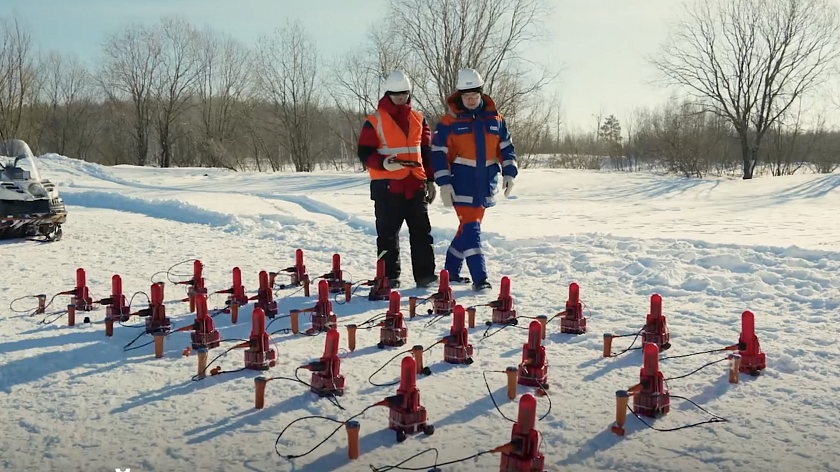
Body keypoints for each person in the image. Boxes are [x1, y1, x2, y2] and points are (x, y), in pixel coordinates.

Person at [430, 68, 518, 291]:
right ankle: (481, 278)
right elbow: (438, 154)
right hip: (461, 185)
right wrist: (444, 185)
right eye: (466, 96)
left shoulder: (496, 119)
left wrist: (509, 173)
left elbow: (506, 148)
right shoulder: (449, 122)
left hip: (486, 186)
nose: (470, 100)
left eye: (474, 95)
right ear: (459, 95)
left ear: (481, 93)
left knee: (466, 230)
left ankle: (450, 272)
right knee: (472, 231)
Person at [357, 70, 439, 289]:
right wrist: (383, 163)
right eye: (396, 94)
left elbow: (426, 152)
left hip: (415, 184)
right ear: (388, 94)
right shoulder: (374, 121)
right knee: (387, 236)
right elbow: (365, 152)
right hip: (387, 188)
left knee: (422, 233)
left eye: (404, 93)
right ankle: (389, 277)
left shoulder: (419, 119)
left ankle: (425, 276)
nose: (401, 98)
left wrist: (430, 180)